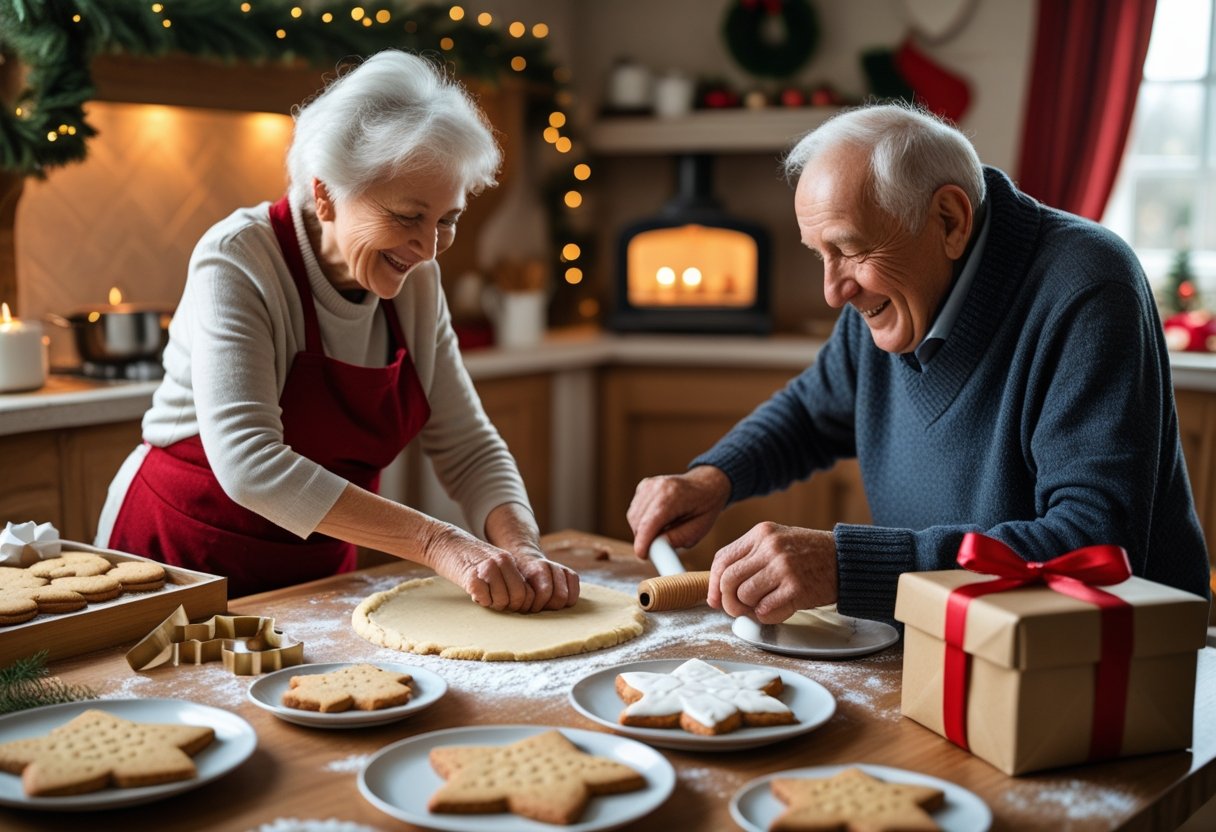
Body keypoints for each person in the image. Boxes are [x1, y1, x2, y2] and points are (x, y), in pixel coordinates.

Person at [627, 103, 1210, 625]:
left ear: (950, 221)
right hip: (948, 642)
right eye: (820, 255)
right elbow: (811, 411)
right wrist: (713, 478)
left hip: (1104, 673)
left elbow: (1091, 543)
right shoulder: (893, 293)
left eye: (850, 249)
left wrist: (847, 564)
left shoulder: (1087, 288)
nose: (833, 292)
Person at [96, 50, 579, 611]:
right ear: (325, 193)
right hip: (182, 562)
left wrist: (522, 547)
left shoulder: (417, 282)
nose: (427, 248)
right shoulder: (238, 259)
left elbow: (469, 448)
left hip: (314, 574)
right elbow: (251, 465)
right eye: (406, 216)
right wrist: (440, 543)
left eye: (446, 219)